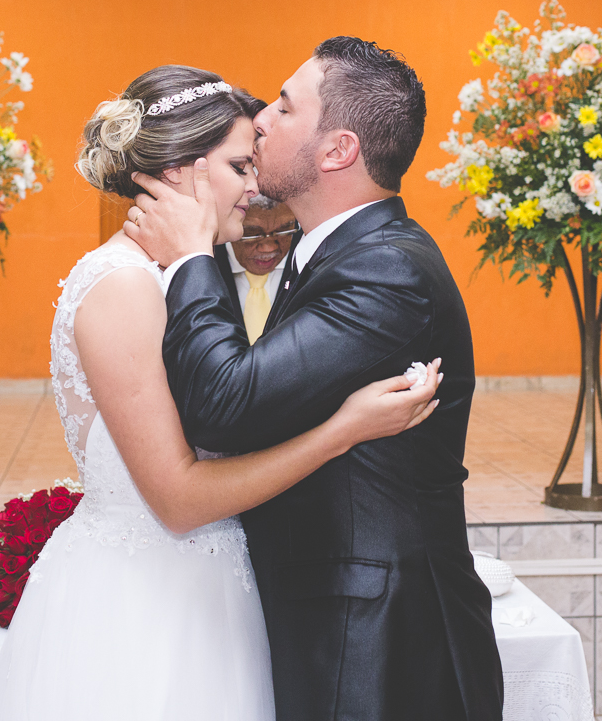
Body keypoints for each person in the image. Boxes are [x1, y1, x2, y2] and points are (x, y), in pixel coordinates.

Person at [0, 64, 442, 721]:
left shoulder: (185, 278)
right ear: (178, 175)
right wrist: (343, 430)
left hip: (213, 590)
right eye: (238, 167)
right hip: (145, 610)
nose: (255, 191)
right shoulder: (122, 287)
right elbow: (179, 501)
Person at [126, 39, 504, 721]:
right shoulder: (332, 255)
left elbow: (227, 407)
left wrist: (190, 257)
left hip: (378, 640)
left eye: (285, 105)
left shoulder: (387, 269)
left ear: (338, 150)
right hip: (336, 612)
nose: (261, 118)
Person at [214, 195, 298, 343]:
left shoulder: (313, 263)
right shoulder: (203, 262)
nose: (269, 247)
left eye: (283, 230)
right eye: (252, 233)